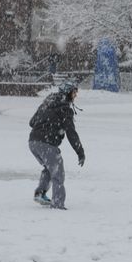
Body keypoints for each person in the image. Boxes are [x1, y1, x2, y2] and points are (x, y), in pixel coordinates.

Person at [29, 81, 85, 210]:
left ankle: (40, 193)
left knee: (50, 168)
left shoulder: (47, 102)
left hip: (33, 142)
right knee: (58, 173)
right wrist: (80, 152)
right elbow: (71, 133)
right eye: (74, 92)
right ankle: (58, 204)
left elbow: (32, 122)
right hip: (46, 144)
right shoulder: (65, 109)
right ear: (68, 92)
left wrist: (46, 123)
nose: (75, 95)